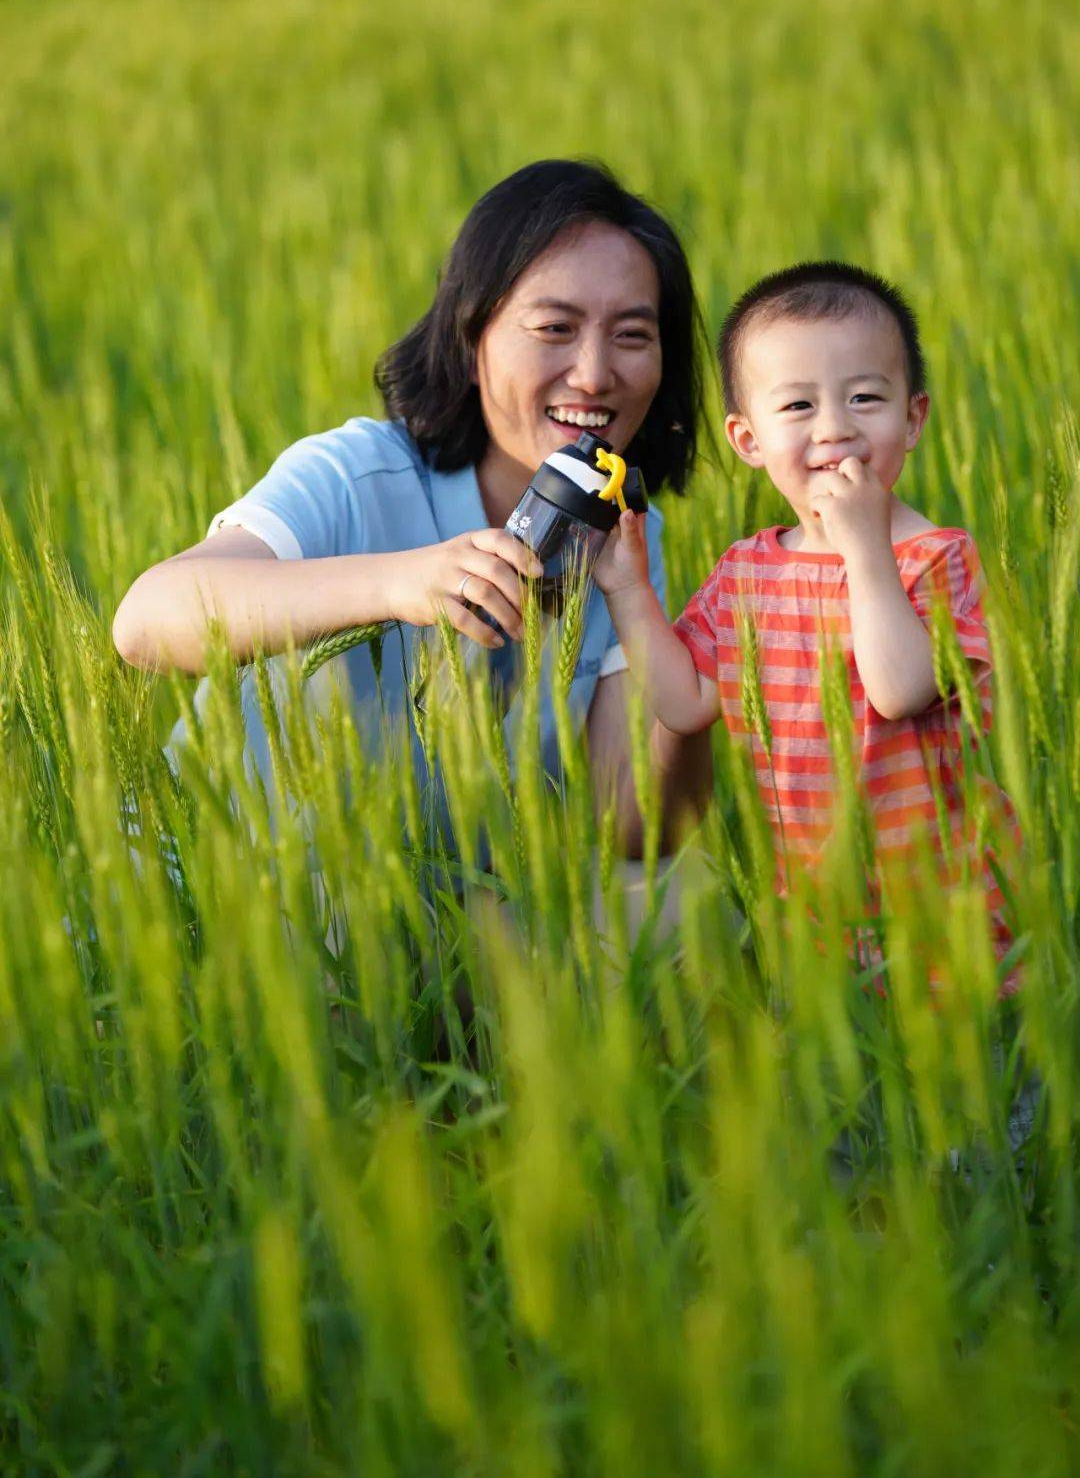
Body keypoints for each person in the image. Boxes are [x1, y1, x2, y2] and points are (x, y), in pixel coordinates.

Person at [112, 159, 713, 857]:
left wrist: (692, 682)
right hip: (204, 907)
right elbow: (147, 623)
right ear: (471, 335)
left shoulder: (629, 542)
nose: (594, 373)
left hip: (420, 949)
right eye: (555, 328)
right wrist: (400, 583)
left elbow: (632, 826)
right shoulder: (355, 473)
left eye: (633, 335)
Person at [596, 260, 1019, 978]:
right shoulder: (746, 573)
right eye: (797, 407)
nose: (835, 430)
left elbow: (899, 689)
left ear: (912, 419)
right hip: (817, 921)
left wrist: (864, 548)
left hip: (946, 916)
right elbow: (683, 701)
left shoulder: (937, 559)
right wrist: (628, 591)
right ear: (748, 440)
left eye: (864, 398)